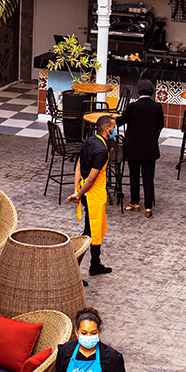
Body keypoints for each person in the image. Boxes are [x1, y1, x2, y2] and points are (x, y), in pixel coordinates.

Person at [67, 114, 114, 275]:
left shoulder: (88, 142)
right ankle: (72, 268)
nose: (114, 130)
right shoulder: (102, 151)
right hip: (93, 195)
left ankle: (95, 263)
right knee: (89, 232)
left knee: (95, 229)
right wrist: (79, 194)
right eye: (113, 127)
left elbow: (79, 166)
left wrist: (76, 190)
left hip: (86, 192)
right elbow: (92, 179)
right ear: (107, 129)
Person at [116, 79, 164, 217]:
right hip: (150, 148)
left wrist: (114, 117)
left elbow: (121, 121)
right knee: (148, 177)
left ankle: (135, 202)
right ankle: (148, 207)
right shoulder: (157, 107)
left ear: (138, 92)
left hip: (133, 148)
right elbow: (160, 125)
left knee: (134, 176)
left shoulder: (133, 107)